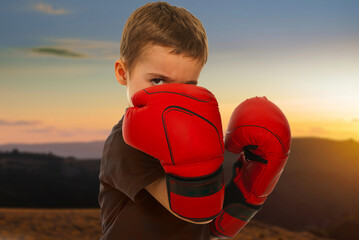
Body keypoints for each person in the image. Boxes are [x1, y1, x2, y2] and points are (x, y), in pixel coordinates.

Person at [98, 2, 219, 240]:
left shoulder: (186, 134)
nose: (173, 99)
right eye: (158, 81)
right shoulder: (125, 143)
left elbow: (214, 223)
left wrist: (253, 174)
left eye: (187, 86)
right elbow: (196, 210)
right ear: (123, 73)